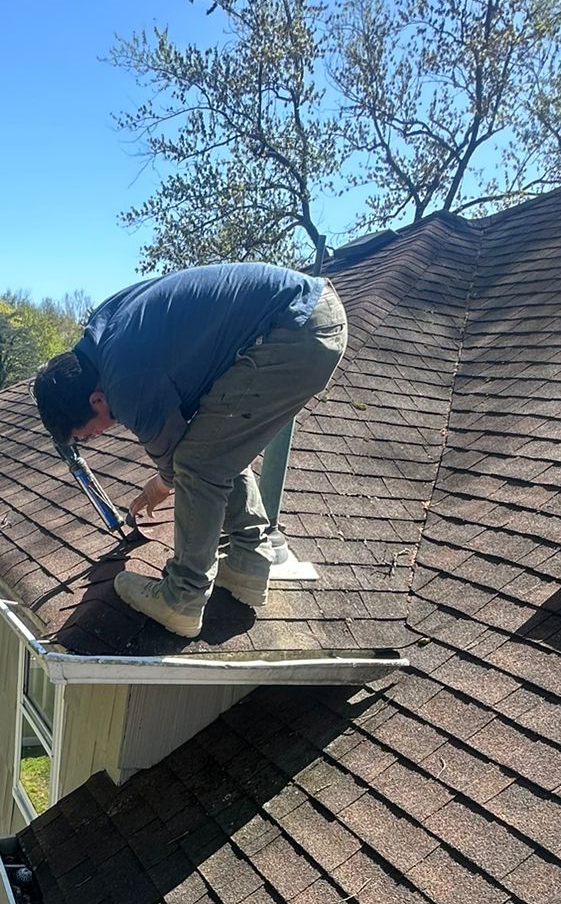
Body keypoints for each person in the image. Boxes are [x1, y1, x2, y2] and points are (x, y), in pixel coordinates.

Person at [32, 261, 347, 638]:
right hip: (300, 317)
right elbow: (207, 440)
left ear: (97, 400)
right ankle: (249, 561)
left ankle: (182, 596)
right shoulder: (102, 336)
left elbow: (181, 462)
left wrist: (160, 485)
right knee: (214, 442)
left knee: (199, 462)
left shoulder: (125, 380)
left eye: (86, 434)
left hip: (296, 329)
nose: (94, 439)